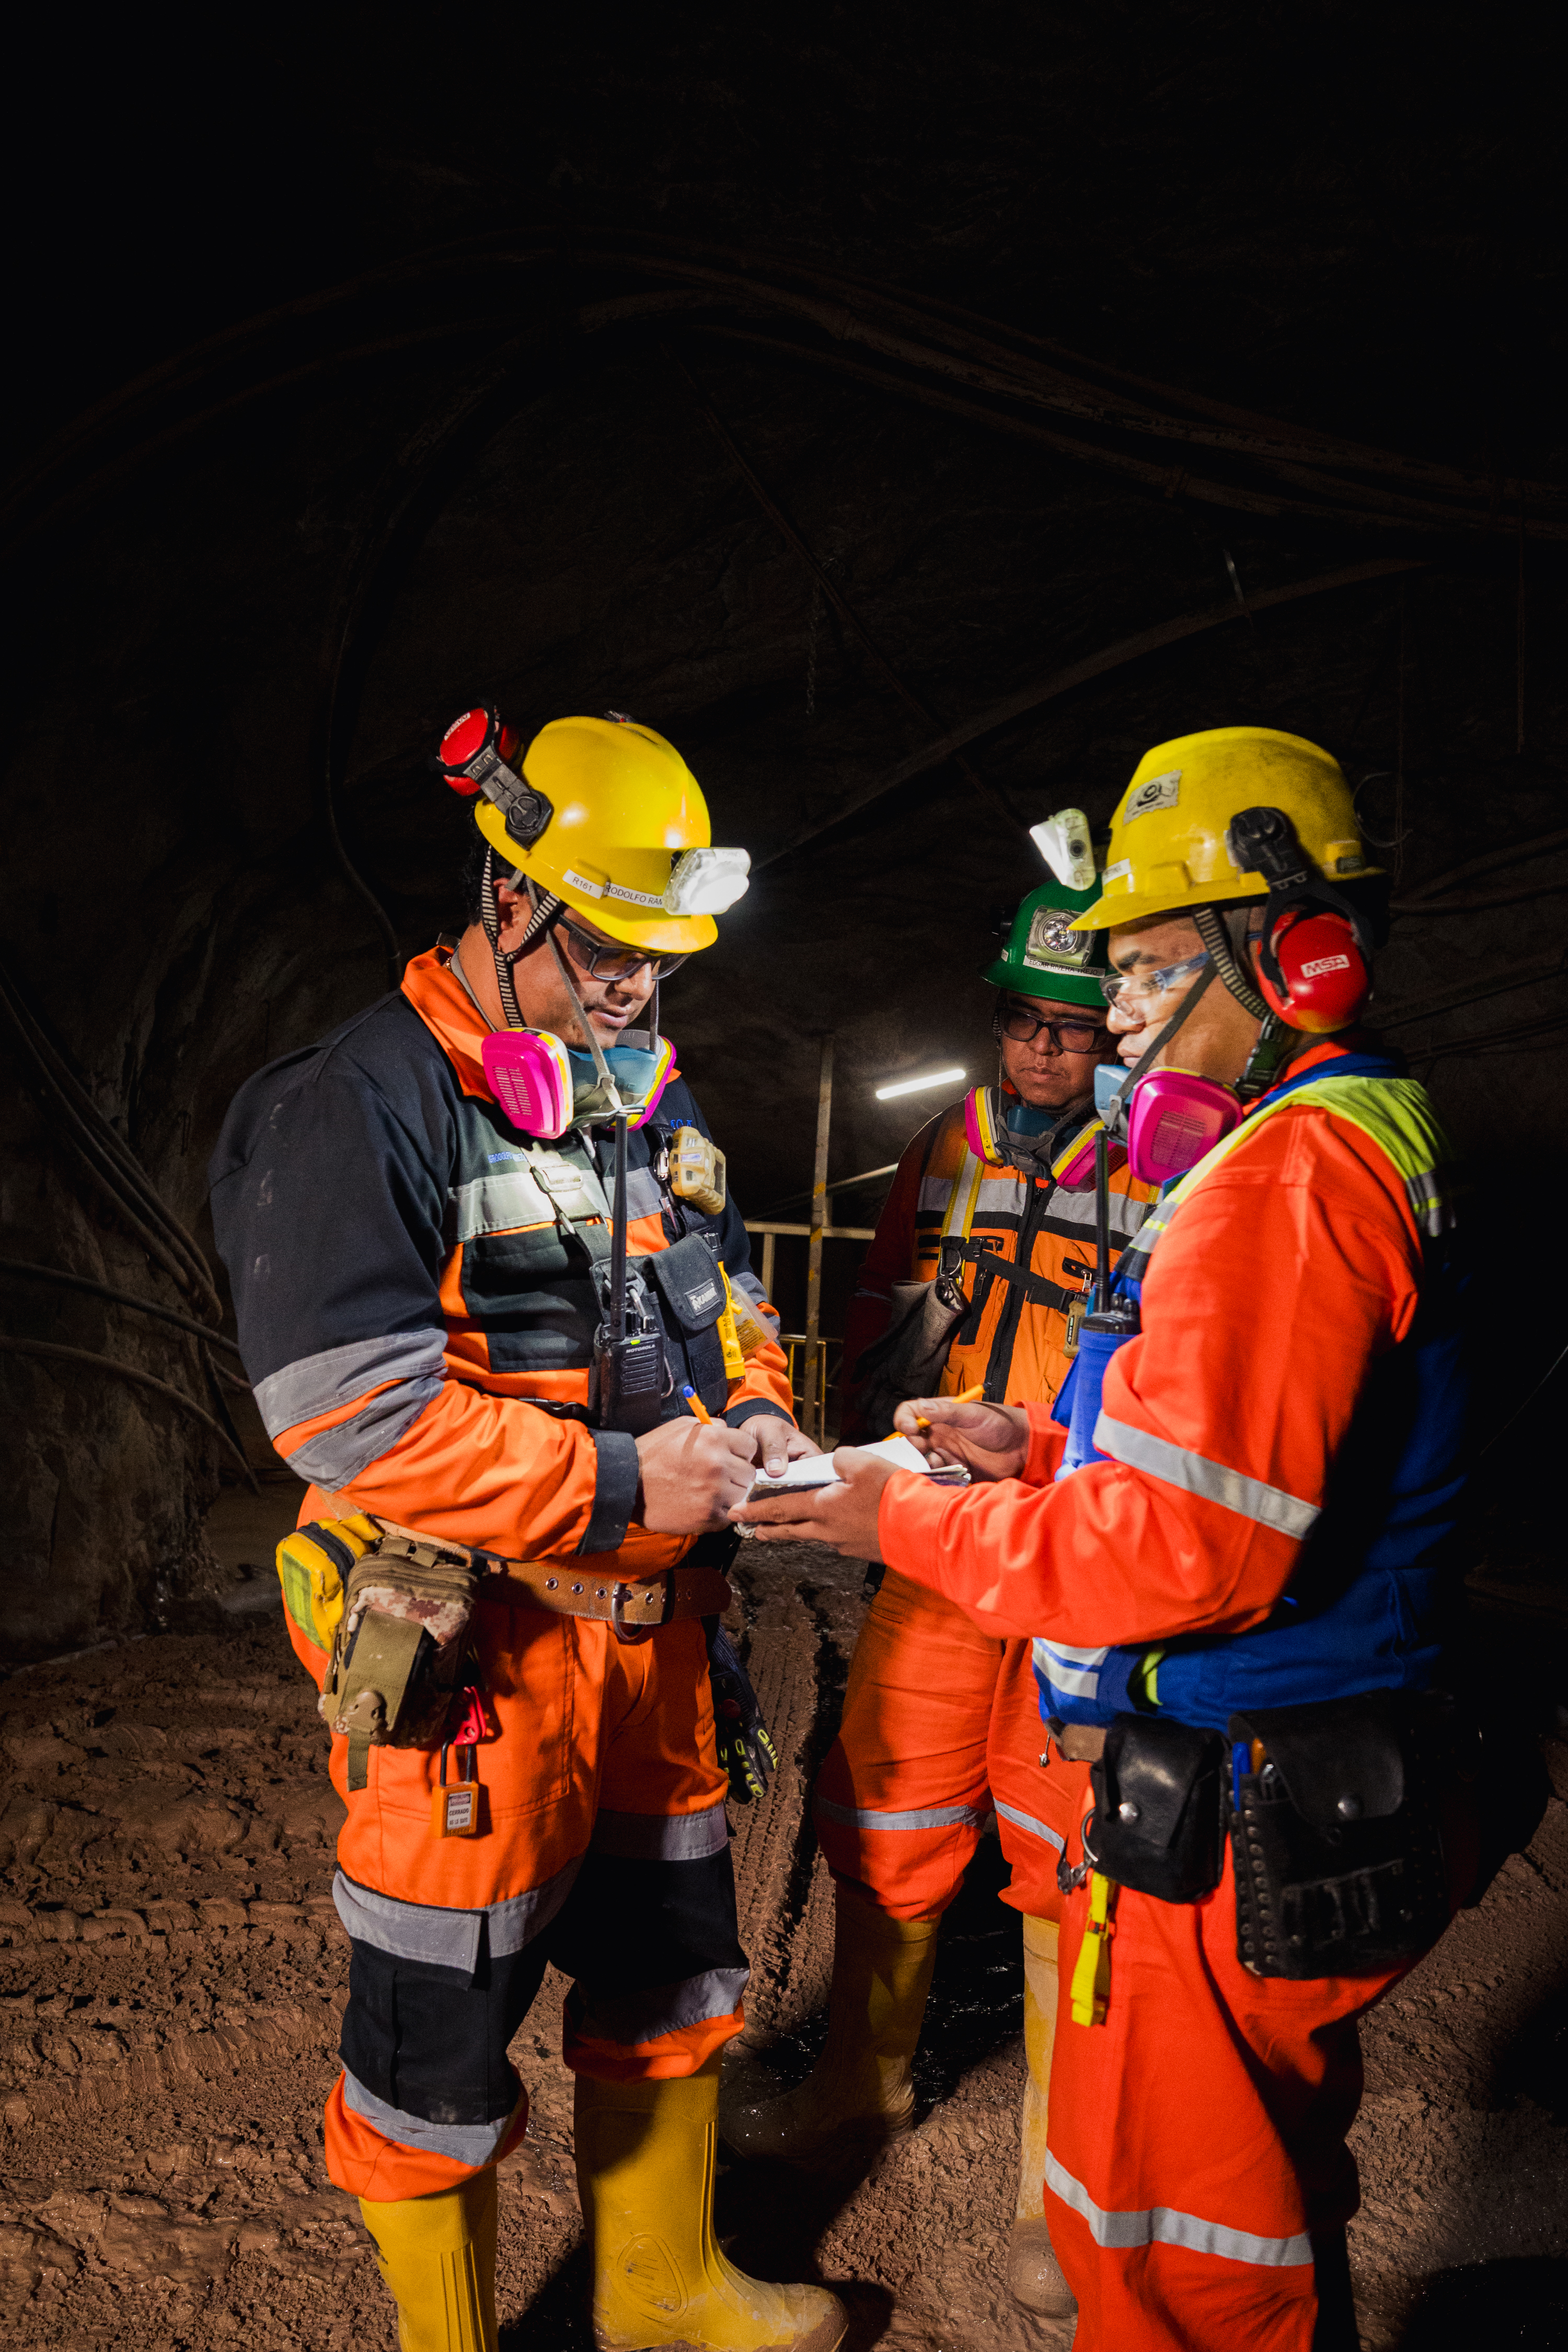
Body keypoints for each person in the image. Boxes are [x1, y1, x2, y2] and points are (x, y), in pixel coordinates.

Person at [737, 725, 1473, 2352]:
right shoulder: (1309, 1145)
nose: (1115, 1011)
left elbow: (1193, 1552)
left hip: (1235, 1791)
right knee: (1186, 2200)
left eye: (1145, 967)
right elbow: (1237, 1457)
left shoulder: (1280, 1176)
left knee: (1197, 2256)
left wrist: (896, 1509)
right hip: (1233, 1754)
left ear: (1292, 953)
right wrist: (1035, 1444)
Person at [211, 708, 847, 2352]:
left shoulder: (646, 1085)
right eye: (610, 946)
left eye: (661, 955)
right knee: (434, 2044)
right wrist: (635, 1490)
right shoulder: (367, 1096)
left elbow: (724, 1290)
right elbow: (350, 1410)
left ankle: (665, 2290)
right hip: (478, 1671)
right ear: (511, 895)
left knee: (675, 1984)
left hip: (653, 1661)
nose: (638, 987)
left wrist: (754, 1396)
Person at [725, 873, 1156, 2320]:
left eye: (1077, 1031)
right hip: (937, 1535)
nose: (1048, 1053)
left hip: (1070, 1543)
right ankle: (862, 2085)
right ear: (997, 1024)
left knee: (1066, 1844)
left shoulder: (1161, 1161)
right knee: (889, 1800)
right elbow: (877, 1307)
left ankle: (1060, 2178)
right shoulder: (942, 1149)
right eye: (1028, 1025)